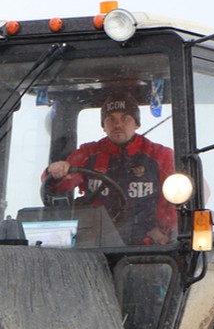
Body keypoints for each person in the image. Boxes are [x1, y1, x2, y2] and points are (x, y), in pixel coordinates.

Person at [45, 94, 176, 245]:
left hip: (146, 244)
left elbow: (181, 197)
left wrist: (166, 235)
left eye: (125, 118)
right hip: (96, 242)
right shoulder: (89, 153)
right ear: (103, 126)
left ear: (136, 124)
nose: (117, 125)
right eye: (111, 119)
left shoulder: (160, 156)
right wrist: (57, 171)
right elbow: (59, 184)